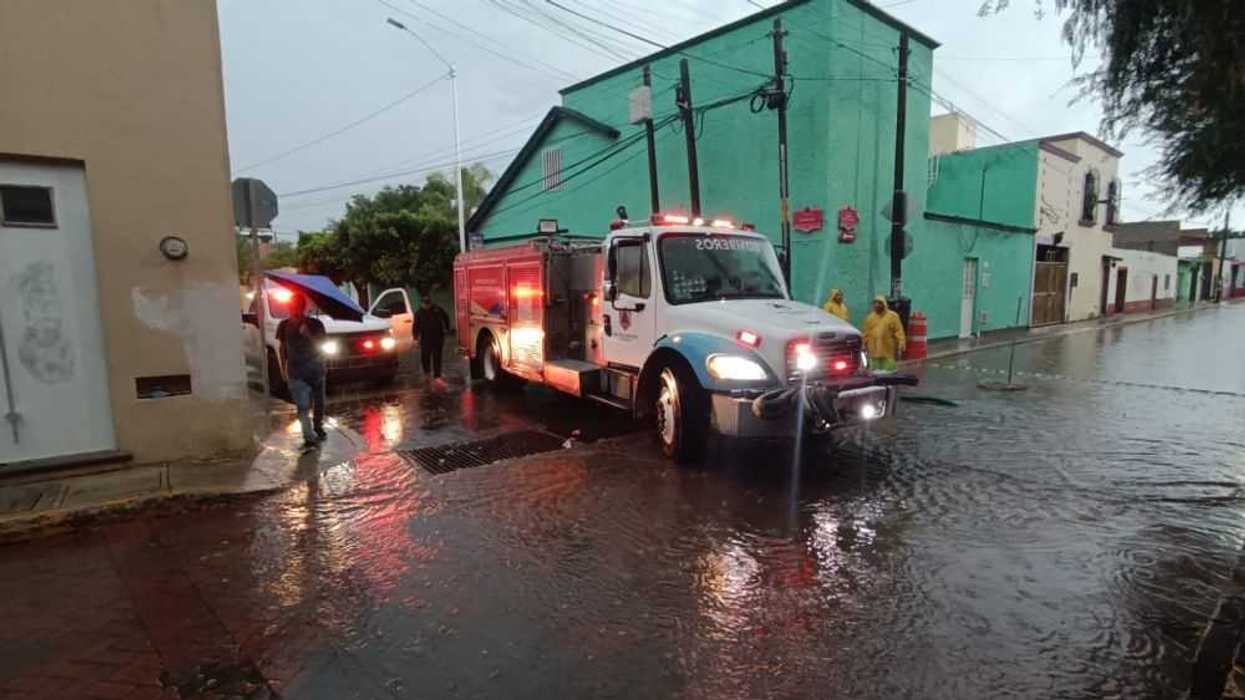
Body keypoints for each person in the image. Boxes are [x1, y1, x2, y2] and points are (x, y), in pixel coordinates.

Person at [275, 293, 328, 449]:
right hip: (296, 372)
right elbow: (282, 347)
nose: (294, 309)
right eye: (292, 306)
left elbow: (322, 345)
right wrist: (283, 366)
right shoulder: (283, 325)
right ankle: (308, 435)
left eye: (297, 306)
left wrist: (309, 335)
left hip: (316, 369)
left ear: (303, 307)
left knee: (319, 403)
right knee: (303, 406)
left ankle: (318, 425)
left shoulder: (316, 324)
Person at [862, 295, 906, 371]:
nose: (877, 305)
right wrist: (863, 345)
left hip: (887, 352)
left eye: (880, 303)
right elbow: (866, 333)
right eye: (875, 303)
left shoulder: (893, 316)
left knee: (889, 373)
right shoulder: (870, 318)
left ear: (884, 304)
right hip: (874, 352)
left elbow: (899, 331)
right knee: (875, 374)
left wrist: (901, 344)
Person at [414, 295, 451, 382]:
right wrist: (415, 338)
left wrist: (447, 328)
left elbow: (446, 317)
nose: (427, 305)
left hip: (438, 337)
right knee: (425, 356)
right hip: (425, 338)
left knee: (437, 356)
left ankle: (437, 375)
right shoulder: (419, 313)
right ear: (422, 303)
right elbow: (415, 326)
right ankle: (427, 372)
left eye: (428, 303)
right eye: (425, 304)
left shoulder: (437, 309)